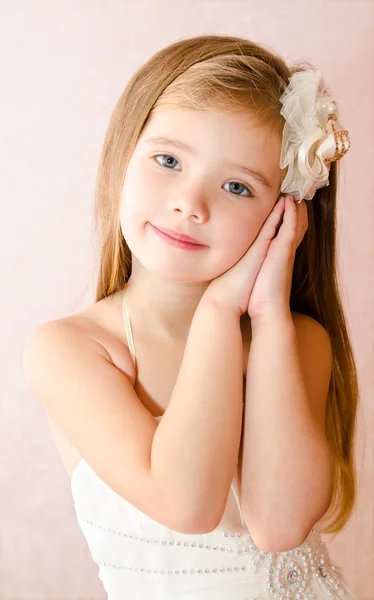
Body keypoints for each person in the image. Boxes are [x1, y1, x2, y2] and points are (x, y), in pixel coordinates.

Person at [23, 34, 359, 599]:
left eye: (236, 186)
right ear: (122, 157)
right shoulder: (73, 350)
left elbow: (279, 528)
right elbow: (188, 504)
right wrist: (218, 311)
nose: (190, 203)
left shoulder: (294, 339)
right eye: (169, 160)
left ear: (285, 214)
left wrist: (266, 311)